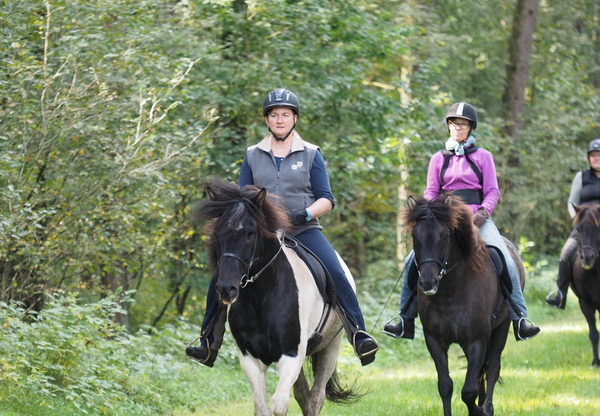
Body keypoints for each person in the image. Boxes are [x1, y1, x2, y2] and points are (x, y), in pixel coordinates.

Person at [186, 88, 379, 367]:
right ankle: (207, 341)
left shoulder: (312, 154)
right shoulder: (253, 155)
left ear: (294, 119)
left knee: (335, 271)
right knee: (223, 273)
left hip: (303, 230)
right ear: (267, 121)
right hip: (263, 234)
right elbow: (243, 197)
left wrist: (304, 214)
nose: (279, 120)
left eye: (285, 115)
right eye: (274, 115)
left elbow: (327, 199)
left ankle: (359, 334)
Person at [383, 102, 540, 342]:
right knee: (411, 260)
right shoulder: (438, 158)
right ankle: (405, 318)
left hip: (478, 218)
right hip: (445, 222)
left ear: (470, 128)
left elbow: (493, 191)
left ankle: (520, 317)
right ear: (448, 126)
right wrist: (434, 217)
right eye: (454, 123)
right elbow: (431, 191)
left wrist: (483, 214)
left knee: (503, 256)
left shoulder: (483, 156)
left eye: (463, 124)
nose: (458, 127)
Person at [546, 138, 600, 309]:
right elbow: (572, 202)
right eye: (593, 155)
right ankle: (560, 294)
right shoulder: (581, 177)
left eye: (599, 155)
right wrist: (576, 219)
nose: (596, 158)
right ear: (588, 158)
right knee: (566, 253)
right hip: (583, 227)